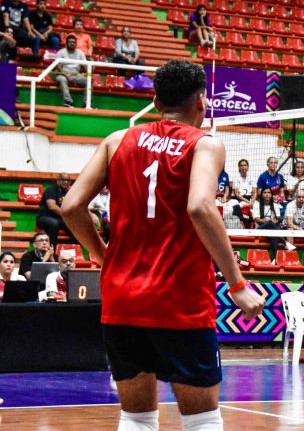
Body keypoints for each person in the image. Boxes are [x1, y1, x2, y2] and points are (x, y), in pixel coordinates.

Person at [61, 59, 265, 431]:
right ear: (201, 102)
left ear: (155, 101)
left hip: (122, 299)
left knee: (136, 417)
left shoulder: (117, 140)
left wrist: (103, 256)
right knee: (201, 419)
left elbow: (72, 206)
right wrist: (237, 285)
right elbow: (201, 207)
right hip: (179, 301)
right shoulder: (205, 145)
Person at [36, 173, 72, 249]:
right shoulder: (51, 189)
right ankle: (52, 249)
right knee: (54, 223)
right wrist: (67, 216)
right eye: (63, 179)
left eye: (68, 180)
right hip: (44, 217)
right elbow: (52, 207)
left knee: (75, 226)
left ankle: (71, 248)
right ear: (58, 180)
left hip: (59, 218)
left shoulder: (69, 192)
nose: (66, 182)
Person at [53, 35, 87, 107]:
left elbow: (85, 65)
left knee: (89, 80)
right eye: (70, 42)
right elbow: (58, 66)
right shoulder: (61, 52)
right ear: (66, 43)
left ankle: (87, 103)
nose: (72, 44)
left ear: (76, 44)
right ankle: (68, 101)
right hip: (62, 73)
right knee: (62, 79)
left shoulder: (80, 53)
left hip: (75, 74)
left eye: (73, 42)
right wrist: (66, 74)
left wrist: (90, 68)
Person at [254, 188, 282, 259]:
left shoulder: (275, 205)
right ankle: (284, 241)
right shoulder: (257, 205)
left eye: (269, 192)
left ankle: (276, 259)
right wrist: (268, 221)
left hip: (271, 230)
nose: (267, 194)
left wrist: (272, 221)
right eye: (265, 192)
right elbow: (257, 219)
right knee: (270, 223)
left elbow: (277, 219)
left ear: (271, 195)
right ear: (261, 194)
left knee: (273, 235)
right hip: (260, 230)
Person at [231, 158, 257, 228]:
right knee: (240, 207)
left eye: (245, 165)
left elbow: (254, 192)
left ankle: (254, 227)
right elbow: (237, 194)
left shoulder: (252, 177)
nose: (243, 167)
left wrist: (252, 201)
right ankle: (244, 225)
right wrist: (247, 201)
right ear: (239, 167)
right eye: (241, 165)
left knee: (257, 208)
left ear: (247, 167)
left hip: (250, 199)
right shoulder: (236, 178)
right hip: (241, 199)